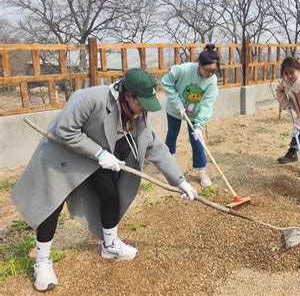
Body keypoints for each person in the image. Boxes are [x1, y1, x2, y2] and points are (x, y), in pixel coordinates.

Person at [11, 68, 197, 292]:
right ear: (128, 96)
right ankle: (42, 261)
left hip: (94, 156)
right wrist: (99, 153)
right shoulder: (88, 99)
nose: (143, 111)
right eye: (141, 104)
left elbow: (154, 147)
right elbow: (66, 132)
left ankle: (109, 245)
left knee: (110, 193)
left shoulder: (137, 114)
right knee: (52, 204)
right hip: (62, 152)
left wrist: (180, 181)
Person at [161, 44, 219, 187]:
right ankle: (169, 166)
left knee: (197, 140)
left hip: (194, 114)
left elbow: (207, 104)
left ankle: (201, 170)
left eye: (214, 71)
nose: (210, 74)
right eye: (207, 71)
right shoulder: (184, 69)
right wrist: (176, 101)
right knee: (172, 134)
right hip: (175, 109)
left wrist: (199, 125)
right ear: (199, 65)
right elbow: (165, 82)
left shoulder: (212, 81)